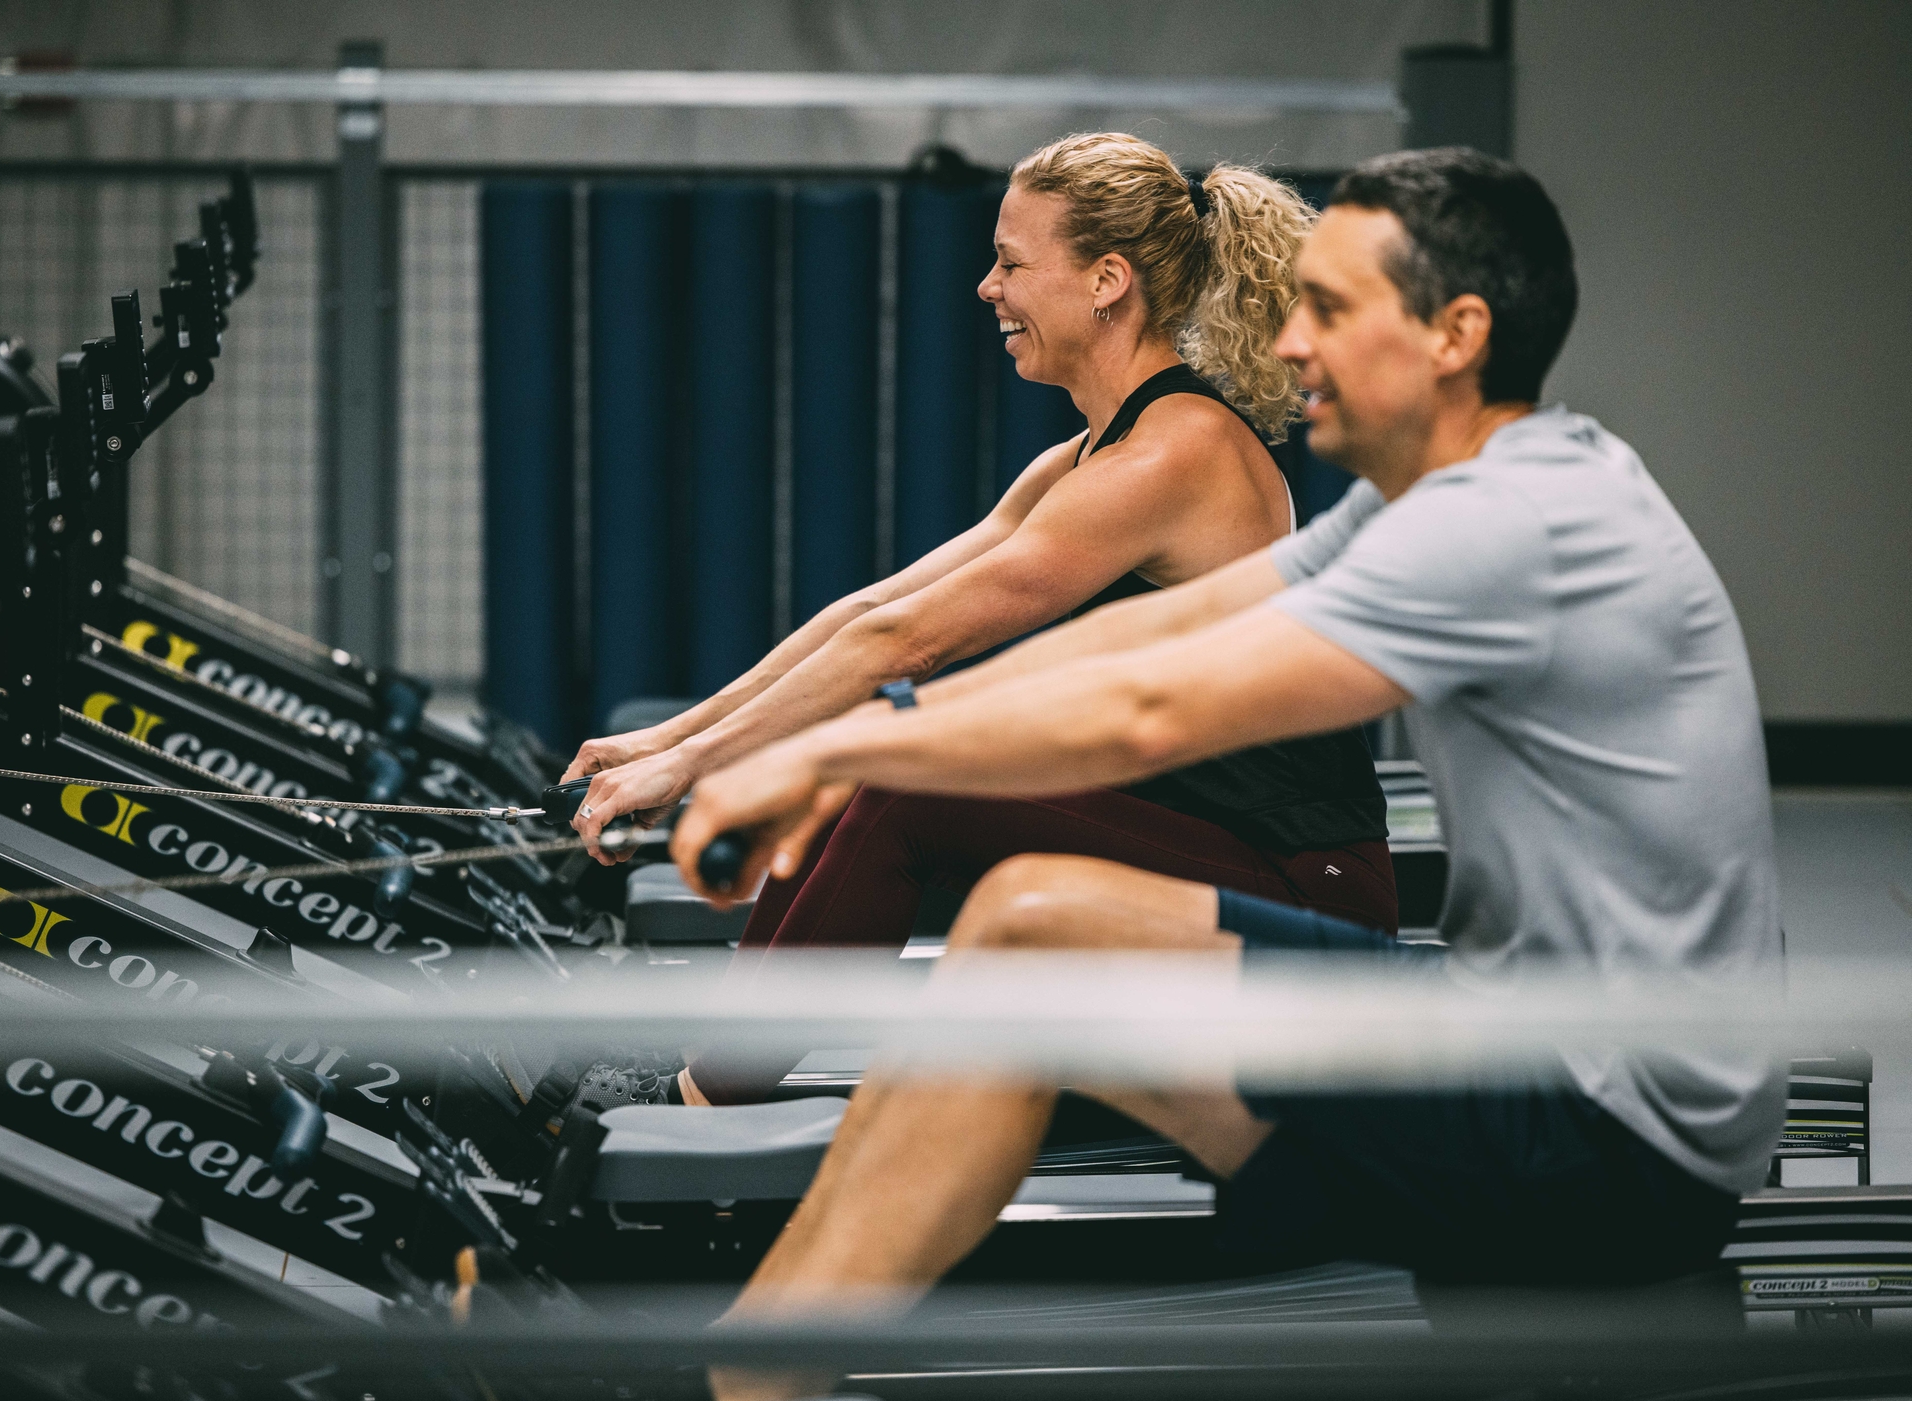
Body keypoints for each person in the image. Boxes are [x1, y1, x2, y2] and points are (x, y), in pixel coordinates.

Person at [670, 147, 1785, 1400]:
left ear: (1456, 335)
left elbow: (1152, 709)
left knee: (1042, 932)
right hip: (1517, 1057)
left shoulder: (1508, 525)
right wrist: (853, 738)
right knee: (1028, 938)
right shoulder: (1455, 493)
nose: (1291, 341)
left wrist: (839, 750)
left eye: (1332, 309)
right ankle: (752, 1343)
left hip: (1602, 1136)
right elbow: (1153, 635)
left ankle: (748, 1375)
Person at [564, 134, 1396, 1103]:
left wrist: (690, 769)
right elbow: (874, 609)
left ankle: (699, 1107)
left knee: (897, 779)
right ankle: (705, 1083)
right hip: (1212, 845)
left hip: (1300, 899)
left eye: (1011, 263)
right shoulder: (1093, 455)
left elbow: (908, 645)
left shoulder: (1176, 456)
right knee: (878, 769)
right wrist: (667, 741)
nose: (985, 288)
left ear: (1106, 281)